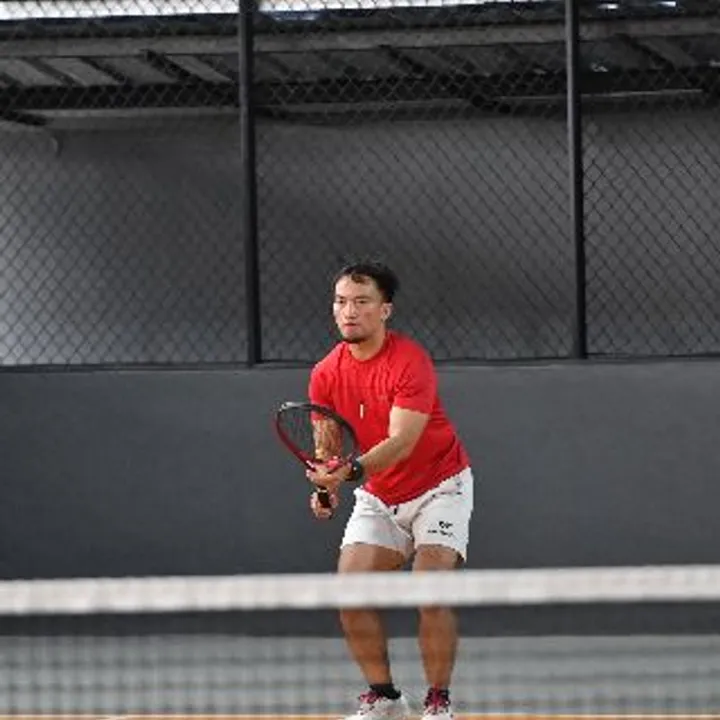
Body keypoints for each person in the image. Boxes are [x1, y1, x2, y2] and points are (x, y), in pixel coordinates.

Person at [306, 261, 475, 720]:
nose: (349, 311)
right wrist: (326, 484)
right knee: (350, 592)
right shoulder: (325, 373)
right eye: (341, 301)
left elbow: (402, 442)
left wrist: (348, 472)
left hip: (440, 486)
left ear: (385, 310)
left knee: (431, 589)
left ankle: (438, 702)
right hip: (380, 495)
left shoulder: (409, 361)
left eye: (361, 302)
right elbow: (327, 446)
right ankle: (384, 696)